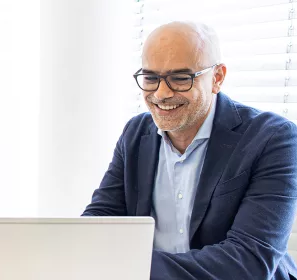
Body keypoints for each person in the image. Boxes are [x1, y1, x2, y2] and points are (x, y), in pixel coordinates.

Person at [82, 21, 297, 279]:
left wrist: (129, 266)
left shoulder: (274, 138)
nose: (161, 93)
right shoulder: (136, 133)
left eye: (180, 79)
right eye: (151, 78)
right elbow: (100, 222)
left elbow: (249, 262)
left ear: (217, 78)